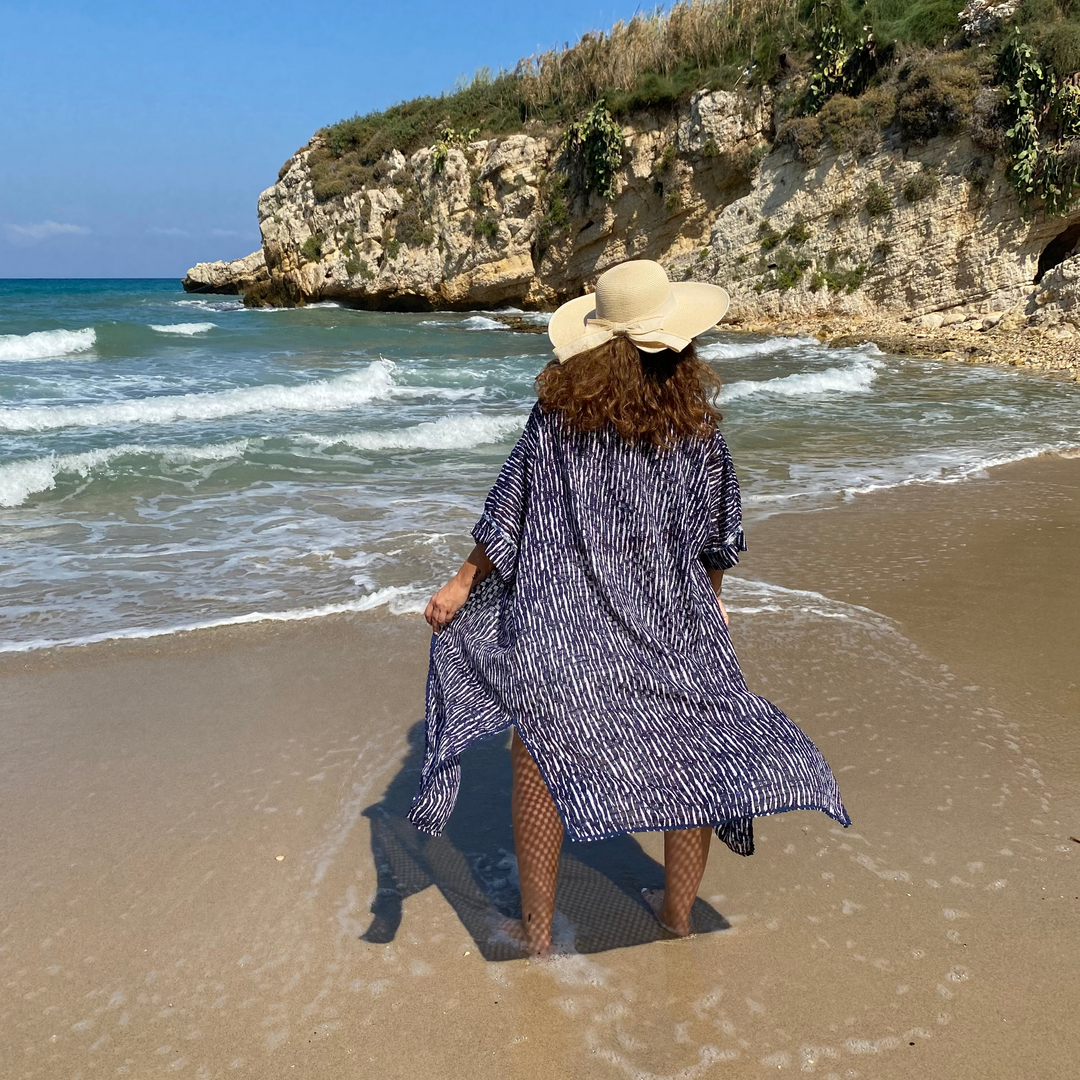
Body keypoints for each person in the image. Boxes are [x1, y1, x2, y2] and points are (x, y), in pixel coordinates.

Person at [411, 260, 849, 955]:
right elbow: (718, 534)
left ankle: (534, 933)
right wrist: (714, 605)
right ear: (675, 343)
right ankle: (675, 914)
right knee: (693, 750)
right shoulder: (695, 425)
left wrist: (462, 582)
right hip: (668, 616)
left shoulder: (557, 419)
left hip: (564, 615)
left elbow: (510, 511)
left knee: (541, 751)